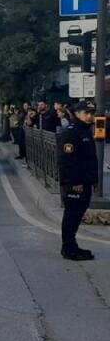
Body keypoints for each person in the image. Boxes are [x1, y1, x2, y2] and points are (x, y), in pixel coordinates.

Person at [57, 101, 98, 261]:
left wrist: (92, 180)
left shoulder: (84, 131)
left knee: (77, 214)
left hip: (84, 181)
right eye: (86, 113)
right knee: (72, 214)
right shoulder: (71, 133)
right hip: (75, 183)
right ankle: (68, 248)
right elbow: (67, 161)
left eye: (91, 113)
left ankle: (71, 244)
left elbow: (87, 159)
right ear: (77, 113)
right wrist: (75, 183)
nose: (90, 116)